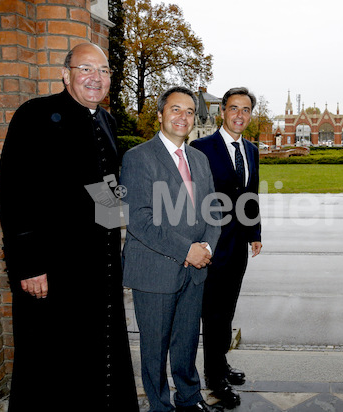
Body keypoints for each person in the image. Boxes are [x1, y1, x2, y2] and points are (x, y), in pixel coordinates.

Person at [0, 43, 138, 411]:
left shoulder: (105, 121)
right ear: (66, 74)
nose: (96, 77)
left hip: (96, 271)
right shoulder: (36, 115)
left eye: (104, 70)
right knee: (50, 367)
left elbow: (106, 191)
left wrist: (116, 249)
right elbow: (15, 194)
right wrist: (28, 265)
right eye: (86, 69)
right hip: (51, 271)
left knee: (95, 360)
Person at [121, 86, 222, 412]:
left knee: (187, 343)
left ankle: (189, 399)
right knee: (155, 348)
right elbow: (139, 220)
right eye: (175, 109)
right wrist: (186, 250)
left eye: (190, 111)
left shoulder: (199, 159)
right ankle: (160, 406)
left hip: (194, 272)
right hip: (155, 271)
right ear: (161, 114)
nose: (183, 117)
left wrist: (205, 246)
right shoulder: (138, 158)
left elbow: (212, 211)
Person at [191, 87, 262, 408]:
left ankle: (221, 363)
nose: (239, 115)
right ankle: (214, 378)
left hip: (238, 246)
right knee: (213, 311)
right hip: (211, 245)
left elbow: (251, 196)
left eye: (245, 110)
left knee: (227, 308)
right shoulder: (202, 147)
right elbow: (191, 198)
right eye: (234, 108)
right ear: (222, 112)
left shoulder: (251, 150)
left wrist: (255, 232)